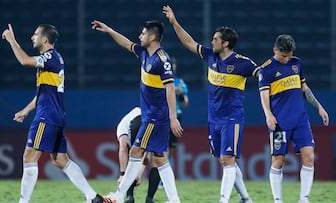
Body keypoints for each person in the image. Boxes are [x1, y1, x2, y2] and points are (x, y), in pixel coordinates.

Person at [2, 24, 111, 203]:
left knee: (29, 156)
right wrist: (26, 110)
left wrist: (12, 40)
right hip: (56, 115)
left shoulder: (50, 57)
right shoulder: (54, 59)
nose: (32, 37)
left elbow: (24, 61)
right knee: (60, 159)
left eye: (36, 34)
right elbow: (46, 93)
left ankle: (23, 202)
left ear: (45, 39)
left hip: (47, 116)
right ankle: (93, 197)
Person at [163, 5, 259, 203]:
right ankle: (246, 199)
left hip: (232, 117)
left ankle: (223, 200)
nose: (212, 41)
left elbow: (262, 75)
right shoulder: (210, 56)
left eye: (215, 39)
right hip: (213, 118)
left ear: (226, 43)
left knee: (227, 160)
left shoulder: (243, 63)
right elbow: (189, 42)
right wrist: (174, 22)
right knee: (225, 160)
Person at [91, 19, 183, 203]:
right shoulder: (144, 53)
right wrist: (109, 29)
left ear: (153, 36)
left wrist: (173, 118)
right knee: (160, 159)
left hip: (155, 117)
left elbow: (170, 88)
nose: (139, 36)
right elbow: (126, 43)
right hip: (152, 115)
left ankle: (119, 195)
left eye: (143, 33)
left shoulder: (162, 59)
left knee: (135, 151)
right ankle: (174, 200)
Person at [258, 34, 329, 203]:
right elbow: (264, 95)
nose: (287, 59)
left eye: (289, 55)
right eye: (284, 56)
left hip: (300, 120)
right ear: (275, 50)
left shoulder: (296, 63)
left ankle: (304, 199)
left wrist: (319, 107)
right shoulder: (266, 69)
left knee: (309, 156)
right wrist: (268, 113)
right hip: (279, 122)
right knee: (278, 160)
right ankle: (278, 200)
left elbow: (304, 88)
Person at [145, 57, 189, 202]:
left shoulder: (180, 82)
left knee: (170, 150)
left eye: (174, 65)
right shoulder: (160, 80)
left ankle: (163, 181)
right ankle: (162, 181)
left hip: (177, 118)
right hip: (162, 118)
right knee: (160, 151)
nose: (173, 68)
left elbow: (185, 103)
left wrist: (180, 94)